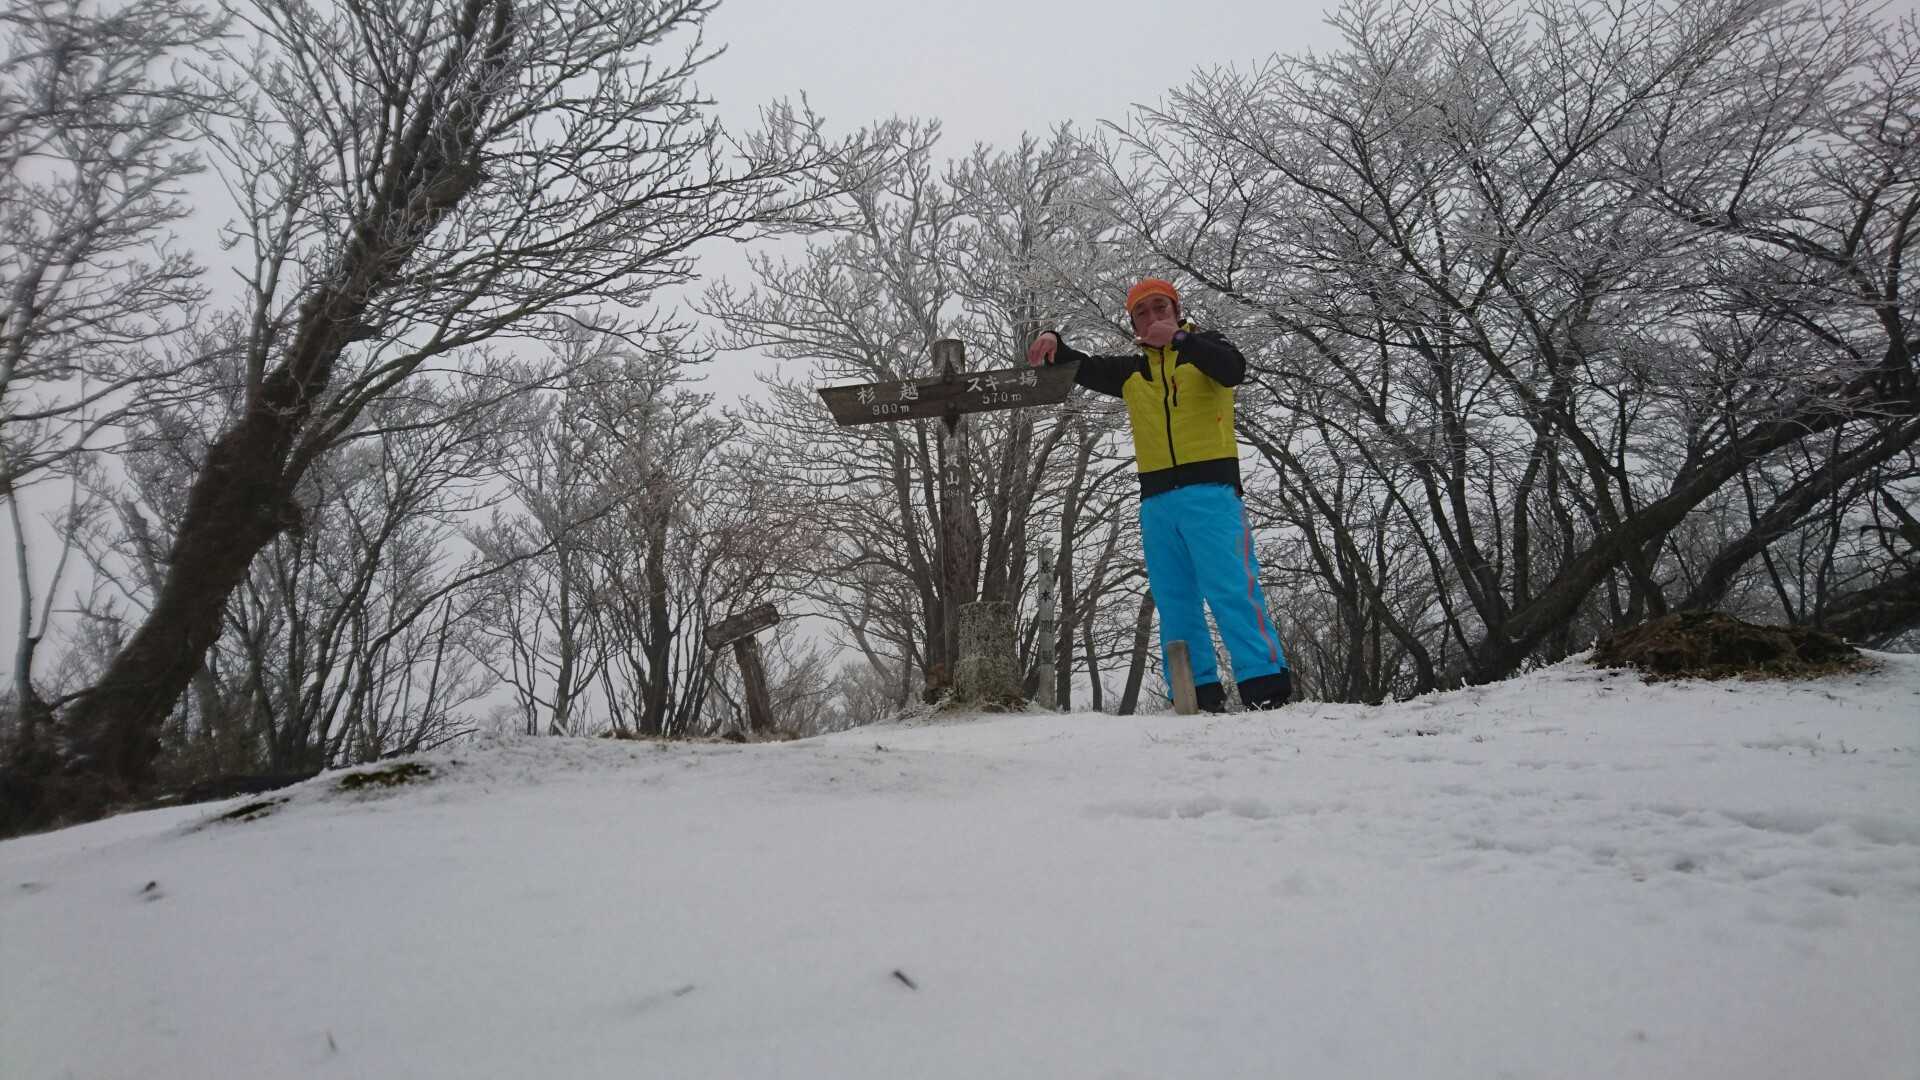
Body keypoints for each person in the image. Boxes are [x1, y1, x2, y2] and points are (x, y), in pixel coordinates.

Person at [1026, 278, 1291, 712]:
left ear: (1176, 311)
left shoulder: (1206, 348)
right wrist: (1054, 339)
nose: (1152, 317)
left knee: (1232, 589)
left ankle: (1266, 690)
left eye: (1160, 307)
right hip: (1157, 503)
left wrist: (1182, 340)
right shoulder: (1133, 372)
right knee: (1174, 601)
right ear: (1133, 323)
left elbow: (1233, 370)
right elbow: (1081, 366)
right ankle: (1195, 695)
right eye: (1141, 312)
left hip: (1212, 493)